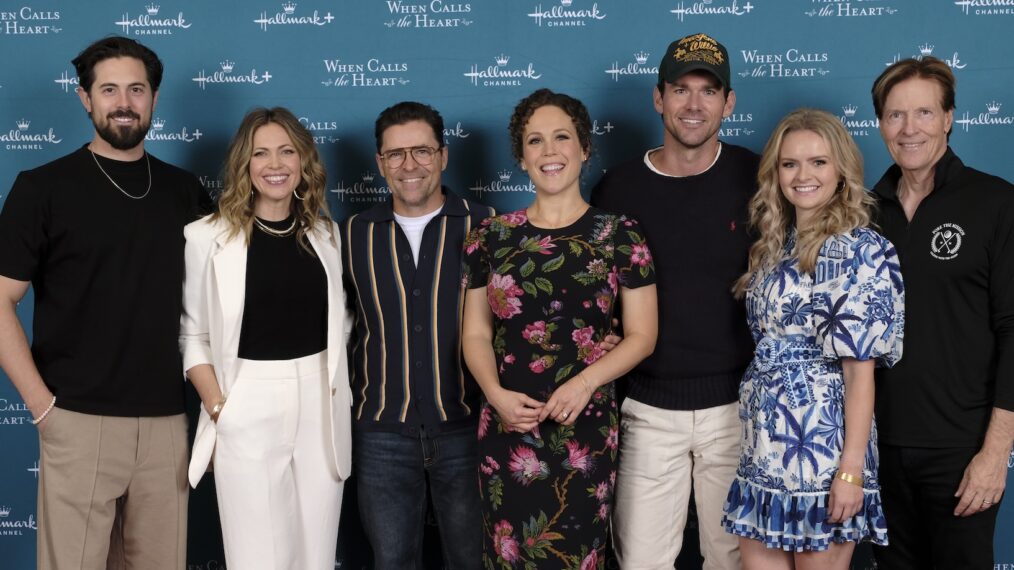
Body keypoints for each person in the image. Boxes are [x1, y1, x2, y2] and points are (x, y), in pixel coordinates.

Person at [0, 36, 208, 569]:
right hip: (76, 419)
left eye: (136, 89)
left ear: (154, 98)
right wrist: (42, 408)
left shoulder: (187, 194)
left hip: (167, 424)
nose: (123, 102)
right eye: (109, 89)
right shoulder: (42, 188)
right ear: (84, 98)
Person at [461, 88, 659, 569]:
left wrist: (587, 382)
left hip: (585, 433)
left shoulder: (618, 233)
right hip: (508, 428)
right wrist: (494, 394)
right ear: (521, 157)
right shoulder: (490, 236)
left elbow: (643, 334)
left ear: (585, 149)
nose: (549, 152)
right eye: (535, 141)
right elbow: (474, 334)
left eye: (561, 137)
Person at [590, 32, 758, 569]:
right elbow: (594, 289)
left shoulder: (758, 177)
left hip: (737, 408)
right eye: (680, 89)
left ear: (728, 102)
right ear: (658, 98)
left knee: (733, 562)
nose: (693, 105)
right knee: (640, 562)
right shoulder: (617, 188)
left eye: (709, 92)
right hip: (647, 408)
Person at [720, 108, 904, 568]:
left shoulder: (857, 249)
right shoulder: (774, 244)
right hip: (763, 452)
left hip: (822, 453)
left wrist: (850, 471)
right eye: (790, 164)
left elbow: (860, 374)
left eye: (818, 162)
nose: (803, 175)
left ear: (841, 170)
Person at [180, 107, 351, 570]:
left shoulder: (327, 235)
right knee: (257, 556)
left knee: (316, 555)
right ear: (245, 165)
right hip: (244, 400)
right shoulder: (205, 237)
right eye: (261, 154)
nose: (275, 164)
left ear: (303, 162)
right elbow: (193, 334)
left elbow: (342, 325)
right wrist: (220, 408)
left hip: (321, 404)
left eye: (286, 151)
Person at [869, 56, 1014, 569]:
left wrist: (995, 455)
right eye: (895, 116)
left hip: (962, 451)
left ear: (949, 118)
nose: (910, 130)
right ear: (881, 123)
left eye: (925, 113)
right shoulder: (864, 212)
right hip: (877, 449)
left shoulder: (996, 203)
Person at [341, 101, 492, 569]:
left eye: (422, 151)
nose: (410, 166)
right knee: (392, 561)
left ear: (444, 156)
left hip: (467, 428)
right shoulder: (351, 235)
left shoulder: (487, 226)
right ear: (380, 163)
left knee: (472, 560)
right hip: (381, 431)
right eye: (396, 154)